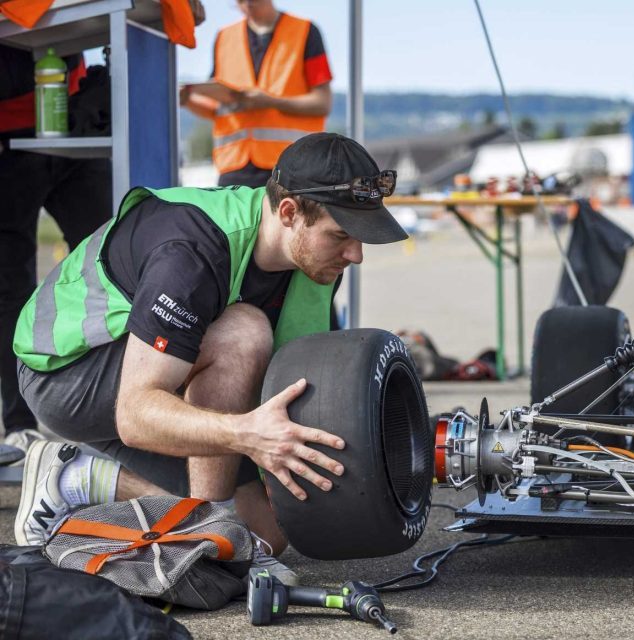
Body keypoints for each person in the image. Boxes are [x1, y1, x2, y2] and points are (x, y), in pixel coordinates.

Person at [13, 133, 405, 583]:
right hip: (66, 374)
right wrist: (244, 434)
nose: (355, 254)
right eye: (341, 236)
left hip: (155, 374)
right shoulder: (191, 252)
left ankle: (79, 479)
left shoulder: (316, 261)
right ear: (290, 212)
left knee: (270, 531)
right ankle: (206, 532)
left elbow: (303, 387)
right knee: (243, 332)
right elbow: (136, 413)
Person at [0, 44, 112, 460]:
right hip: (10, 138)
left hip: (75, 119)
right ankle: (19, 425)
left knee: (112, 267)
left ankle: (115, 411)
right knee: (11, 283)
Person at [180, 0, 332, 188]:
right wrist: (188, 100)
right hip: (233, 168)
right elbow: (217, 110)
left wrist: (271, 102)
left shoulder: (305, 31)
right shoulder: (224, 37)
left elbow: (322, 103)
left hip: (291, 167)